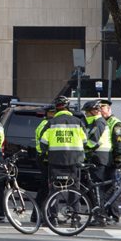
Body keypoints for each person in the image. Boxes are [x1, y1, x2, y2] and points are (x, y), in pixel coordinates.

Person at [39, 96, 87, 227]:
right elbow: (85, 142)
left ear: (56, 108)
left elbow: (43, 144)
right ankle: (75, 219)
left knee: (54, 191)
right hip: (74, 162)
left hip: (55, 162)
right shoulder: (78, 122)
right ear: (68, 107)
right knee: (74, 191)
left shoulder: (51, 123)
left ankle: (53, 218)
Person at [83, 99, 112, 225]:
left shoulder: (99, 123)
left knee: (97, 188)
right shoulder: (97, 122)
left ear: (94, 111)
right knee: (96, 187)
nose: (86, 115)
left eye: (87, 112)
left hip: (98, 158)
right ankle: (99, 214)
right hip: (99, 157)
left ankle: (100, 216)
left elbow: (92, 142)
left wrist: (81, 149)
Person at [99, 99, 121, 223]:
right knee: (107, 188)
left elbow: (119, 142)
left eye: (102, 108)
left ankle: (114, 216)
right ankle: (108, 214)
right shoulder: (103, 122)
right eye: (99, 108)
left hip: (112, 159)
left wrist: (119, 158)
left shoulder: (115, 123)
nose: (100, 110)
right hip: (105, 158)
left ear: (109, 109)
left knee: (111, 188)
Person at [33, 104, 56, 218]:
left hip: (44, 157)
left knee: (45, 188)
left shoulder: (47, 123)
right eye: (52, 112)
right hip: (44, 158)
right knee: (46, 189)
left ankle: (36, 214)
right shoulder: (46, 124)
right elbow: (45, 144)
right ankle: (41, 215)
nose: (54, 114)